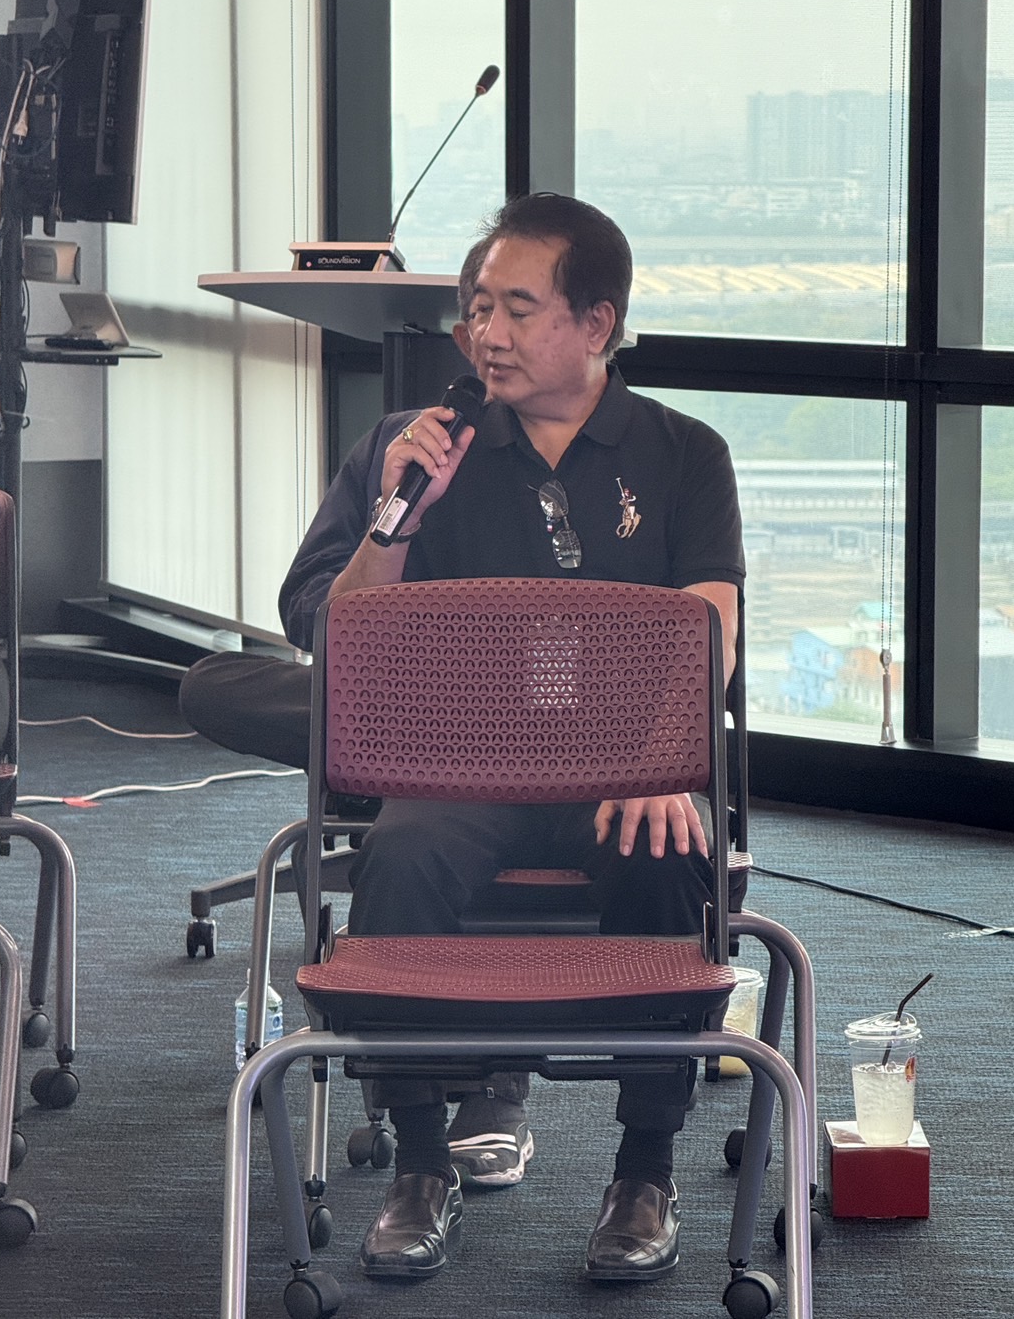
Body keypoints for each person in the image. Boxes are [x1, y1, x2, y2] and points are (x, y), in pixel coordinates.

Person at [185, 193, 745, 1282]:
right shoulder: (407, 449)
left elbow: (710, 619)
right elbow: (330, 632)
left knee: (665, 846)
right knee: (399, 851)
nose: (487, 332)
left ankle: (643, 1171)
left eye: (517, 308)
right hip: (456, 766)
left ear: (597, 322)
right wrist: (400, 515)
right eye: (477, 307)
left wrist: (661, 756)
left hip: (617, 766)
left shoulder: (683, 452)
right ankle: (419, 1161)